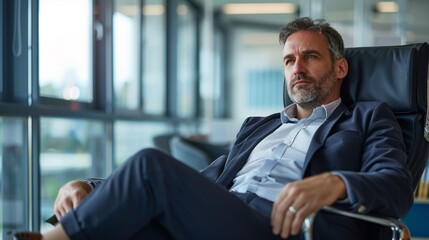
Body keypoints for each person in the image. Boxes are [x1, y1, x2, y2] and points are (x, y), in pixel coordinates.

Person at [14, 17, 413, 240]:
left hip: (288, 226)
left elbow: (395, 187)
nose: (298, 68)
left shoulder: (369, 117)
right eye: (289, 60)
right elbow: (200, 179)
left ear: (340, 68)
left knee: (151, 165)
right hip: (221, 217)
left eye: (310, 57)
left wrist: (336, 184)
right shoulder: (259, 127)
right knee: (122, 228)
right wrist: (88, 186)